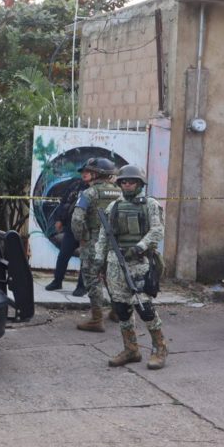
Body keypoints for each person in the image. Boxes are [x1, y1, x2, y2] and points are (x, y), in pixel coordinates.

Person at [94, 164, 168, 370]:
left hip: (140, 264)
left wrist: (139, 247)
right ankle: (131, 349)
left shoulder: (150, 205)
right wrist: (99, 260)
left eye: (131, 182)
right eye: (124, 182)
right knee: (121, 308)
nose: (127, 185)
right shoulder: (114, 207)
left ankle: (159, 347)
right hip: (115, 264)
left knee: (144, 308)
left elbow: (157, 231)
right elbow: (103, 237)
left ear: (140, 184)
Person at [70, 157, 121, 332]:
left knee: (93, 280)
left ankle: (96, 319)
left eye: (89, 171)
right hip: (114, 244)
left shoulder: (89, 193)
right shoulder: (119, 192)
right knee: (112, 278)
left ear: (96, 174)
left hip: (93, 243)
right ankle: (116, 312)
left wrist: (81, 237)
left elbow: (76, 219)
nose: (86, 174)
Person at [44, 168, 91, 294]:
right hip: (72, 228)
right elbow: (64, 202)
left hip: (89, 230)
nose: (84, 174)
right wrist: (59, 220)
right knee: (64, 255)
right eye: (83, 172)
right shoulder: (76, 185)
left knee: (86, 259)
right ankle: (57, 281)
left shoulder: (96, 190)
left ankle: (82, 286)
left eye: (88, 172)